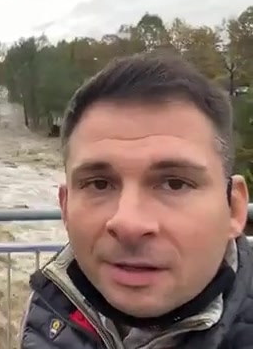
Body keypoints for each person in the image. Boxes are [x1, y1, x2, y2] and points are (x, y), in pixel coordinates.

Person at [20, 53, 252, 348]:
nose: (128, 223)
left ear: (233, 209)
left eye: (175, 183)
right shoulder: (49, 308)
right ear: (65, 207)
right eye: (99, 184)